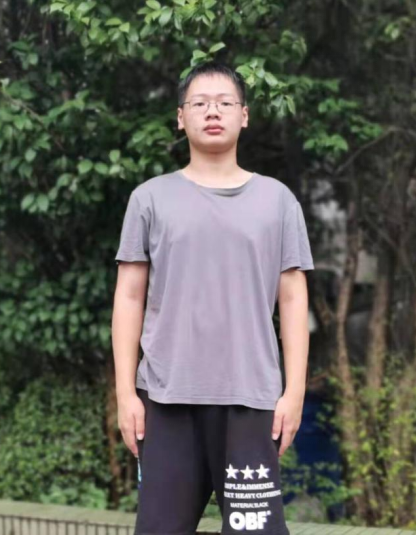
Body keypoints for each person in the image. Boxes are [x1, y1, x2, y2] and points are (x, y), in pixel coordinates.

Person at [111, 61, 314, 535]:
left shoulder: (277, 201)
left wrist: (295, 392)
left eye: (225, 102)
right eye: (199, 103)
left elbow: (292, 299)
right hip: (165, 398)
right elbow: (129, 297)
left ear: (245, 115)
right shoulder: (150, 199)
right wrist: (125, 394)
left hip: (251, 400)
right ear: (181, 118)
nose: (213, 112)